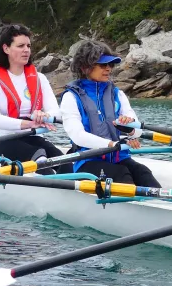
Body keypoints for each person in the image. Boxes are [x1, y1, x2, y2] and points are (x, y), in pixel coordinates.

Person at [60, 40, 161, 187]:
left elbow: (137, 131)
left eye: (111, 65)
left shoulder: (117, 94)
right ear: (84, 67)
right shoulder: (71, 97)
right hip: (88, 161)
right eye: (103, 65)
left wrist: (130, 130)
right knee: (120, 174)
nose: (108, 69)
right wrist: (111, 144)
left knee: (143, 172)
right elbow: (77, 136)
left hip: (119, 157)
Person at [0, 23, 72, 174]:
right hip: (2, 143)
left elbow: (57, 112)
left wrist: (46, 116)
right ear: (6, 49)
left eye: (28, 46)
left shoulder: (39, 78)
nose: (26, 50)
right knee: (40, 161)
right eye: (21, 46)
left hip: (32, 138)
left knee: (66, 165)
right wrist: (29, 123)